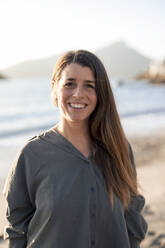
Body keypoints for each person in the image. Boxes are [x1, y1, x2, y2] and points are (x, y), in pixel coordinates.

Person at [3, 50, 147, 248]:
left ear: (100, 93)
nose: (78, 94)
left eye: (89, 86)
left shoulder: (119, 149)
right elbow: (16, 228)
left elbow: (132, 218)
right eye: (69, 84)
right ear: (54, 88)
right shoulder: (31, 155)